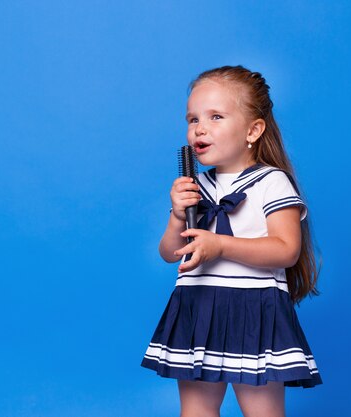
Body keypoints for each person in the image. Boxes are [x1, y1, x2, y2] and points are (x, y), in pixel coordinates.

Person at [141, 65, 322, 417]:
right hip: (198, 306)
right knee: (196, 411)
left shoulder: (272, 183)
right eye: (193, 119)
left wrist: (220, 246)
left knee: (262, 412)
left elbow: (286, 249)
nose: (200, 128)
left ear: (253, 130)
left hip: (253, 311)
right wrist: (178, 213)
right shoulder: (196, 187)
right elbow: (168, 252)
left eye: (215, 117)